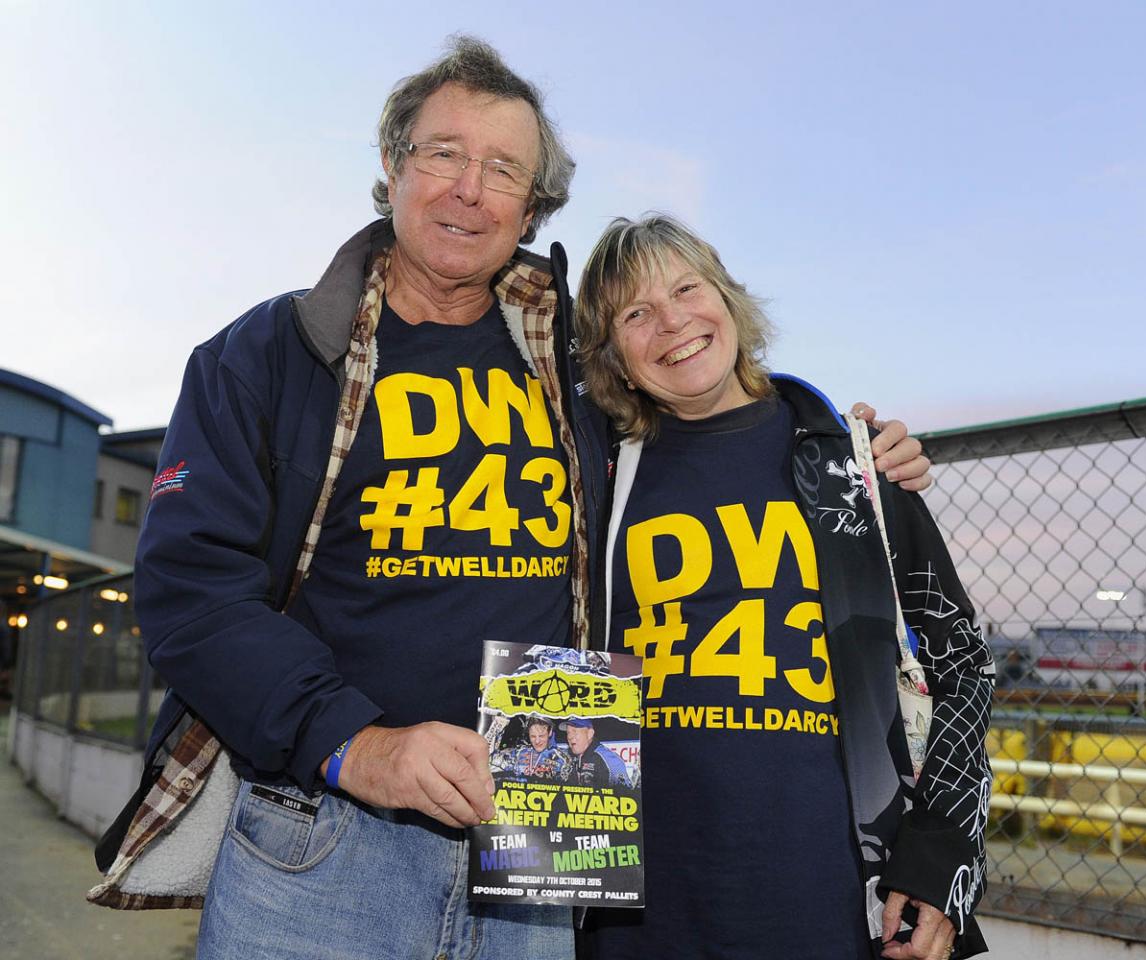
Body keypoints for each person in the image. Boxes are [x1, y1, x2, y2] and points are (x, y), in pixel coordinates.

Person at [104, 38, 931, 960]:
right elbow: (189, 592)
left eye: (503, 170)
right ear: (391, 168)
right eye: (443, 154)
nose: (468, 188)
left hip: (544, 847)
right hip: (323, 841)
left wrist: (851, 453)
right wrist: (356, 745)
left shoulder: (579, 374)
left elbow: (712, 424)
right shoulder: (270, 353)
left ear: (532, 207)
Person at [573, 215, 995, 960]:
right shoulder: (592, 478)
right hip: (632, 907)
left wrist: (939, 860)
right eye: (634, 313)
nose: (672, 321)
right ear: (613, 357)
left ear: (729, 300)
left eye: (685, 288)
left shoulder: (854, 465)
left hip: (826, 897)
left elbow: (963, 661)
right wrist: (547, 867)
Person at [493, 715, 571, 781]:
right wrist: (499, 725)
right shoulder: (518, 754)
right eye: (533, 736)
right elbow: (491, 763)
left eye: (541, 736)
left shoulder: (562, 759)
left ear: (550, 732)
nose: (537, 741)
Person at [563, 716, 631, 788]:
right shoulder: (568, 758)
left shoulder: (608, 759)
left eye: (575, 731)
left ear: (590, 734)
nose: (570, 736)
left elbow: (627, 794)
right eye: (568, 732)